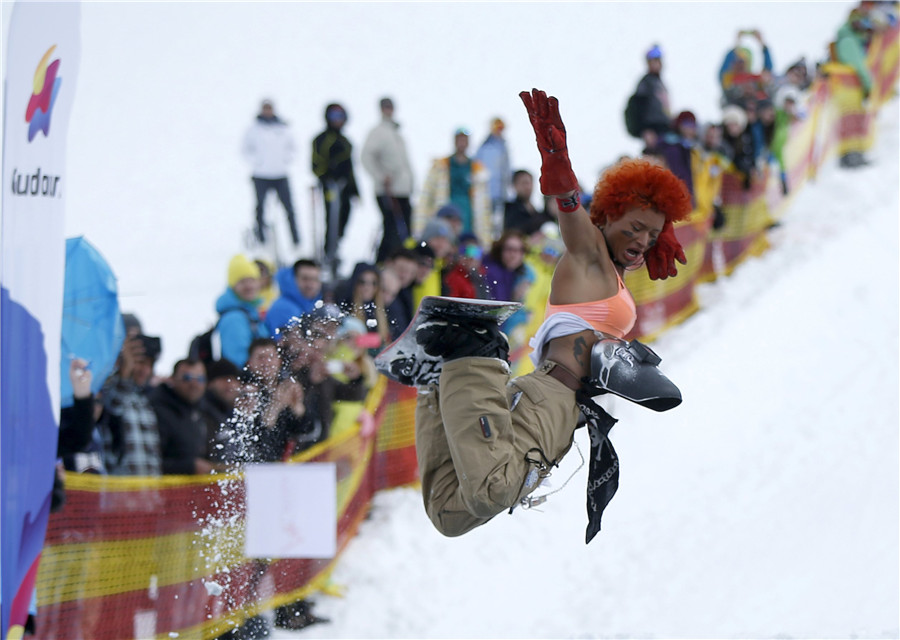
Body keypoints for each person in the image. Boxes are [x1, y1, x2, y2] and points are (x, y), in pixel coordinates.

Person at [408, 89, 691, 541]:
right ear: (610, 216)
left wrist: (656, 230)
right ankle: (470, 354)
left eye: (653, 232)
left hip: (557, 403)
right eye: (634, 226)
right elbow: (571, 211)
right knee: (491, 490)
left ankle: (436, 385)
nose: (643, 239)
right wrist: (555, 160)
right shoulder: (590, 256)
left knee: (450, 511)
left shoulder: (612, 271)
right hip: (552, 395)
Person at [413, 127, 492, 245]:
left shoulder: (477, 169)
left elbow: (484, 205)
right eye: (459, 139)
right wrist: (420, 229)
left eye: (464, 140)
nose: (462, 143)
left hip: (469, 218)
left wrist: (486, 238)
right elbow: (426, 197)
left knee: (467, 248)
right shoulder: (440, 166)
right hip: (445, 214)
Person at [361, 96, 415, 263]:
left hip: (402, 190)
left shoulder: (396, 133)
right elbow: (366, 156)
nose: (388, 110)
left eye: (390, 107)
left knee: (404, 228)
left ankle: (398, 261)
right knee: (392, 228)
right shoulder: (378, 132)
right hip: (388, 189)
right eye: (385, 107)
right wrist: (380, 176)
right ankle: (383, 262)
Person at [100, 334, 163, 475]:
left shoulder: (144, 402)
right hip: (119, 490)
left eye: (149, 364)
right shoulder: (109, 391)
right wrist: (125, 369)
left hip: (149, 492)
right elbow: (115, 405)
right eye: (140, 362)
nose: (144, 370)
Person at [242, 99, 301, 246]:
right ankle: (261, 237)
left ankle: (295, 239)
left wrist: (285, 160)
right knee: (260, 207)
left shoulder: (283, 128)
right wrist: (257, 162)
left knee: (289, 208)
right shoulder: (254, 129)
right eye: (265, 108)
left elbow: (293, 148)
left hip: (280, 174)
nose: (268, 111)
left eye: (270, 108)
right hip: (261, 175)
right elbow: (245, 150)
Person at [312, 103, 359, 277]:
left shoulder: (346, 141)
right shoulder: (321, 139)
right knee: (331, 218)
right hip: (330, 187)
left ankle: (335, 247)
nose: (337, 121)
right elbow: (316, 164)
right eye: (334, 117)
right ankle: (328, 252)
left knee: (343, 218)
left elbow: (351, 167)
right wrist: (326, 177)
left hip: (345, 188)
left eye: (340, 117)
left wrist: (355, 189)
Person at [150, 359, 216, 475]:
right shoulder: (158, 410)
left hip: (194, 489)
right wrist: (188, 467)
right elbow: (150, 460)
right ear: (172, 380)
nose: (194, 384)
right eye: (187, 378)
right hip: (164, 489)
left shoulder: (206, 412)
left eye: (200, 379)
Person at [216, 254, 268, 368]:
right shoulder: (234, 318)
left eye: (252, 280)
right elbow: (237, 360)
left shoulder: (251, 312)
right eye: (242, 282)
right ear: (233, 286)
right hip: (247, 382)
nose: (249, 286)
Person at [627, 44, 672, 151]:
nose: (656, 64)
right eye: (653, 61)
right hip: (653, 129)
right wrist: (645, 129)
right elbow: (638, 106)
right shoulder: (646, 83)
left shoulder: (660, 83)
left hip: (664, 129)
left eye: (658, 61)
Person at [264, 258, 323, 337]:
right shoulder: (283, 308)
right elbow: (286, 345)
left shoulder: (308, 307)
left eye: (314, 279)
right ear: (292, 279)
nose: (310, 285)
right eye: (305, 279)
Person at [475, 117, 512, 233]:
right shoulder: (485, 147)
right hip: (487, 192)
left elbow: (506, 170)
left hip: (500, 194)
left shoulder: (504, 147)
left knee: (499, 222)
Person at [504, 169, 553, 235]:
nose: (528, 187)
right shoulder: (508, 209)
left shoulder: (538, 212)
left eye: (530, 183)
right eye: (524, 183)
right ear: (515, 185)